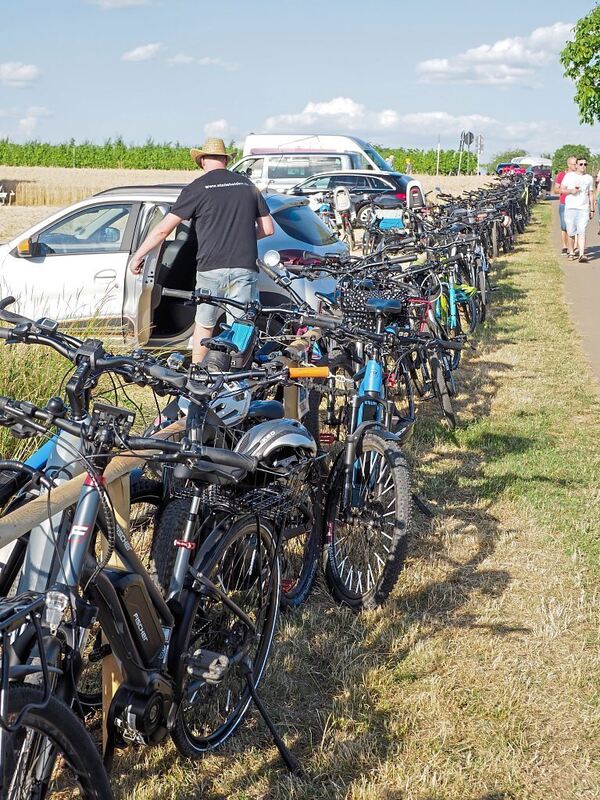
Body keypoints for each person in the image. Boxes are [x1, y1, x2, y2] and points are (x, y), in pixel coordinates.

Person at [129, 137, 274, 362]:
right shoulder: (248, 187)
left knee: (204, 325)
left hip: (211, 268)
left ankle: (198, 373)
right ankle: (239, 375)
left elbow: (162, 231)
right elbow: (267, 229)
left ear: (203, 160)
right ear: (225, 160)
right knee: (242, 326)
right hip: (244, 267)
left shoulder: (197, 188)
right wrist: (241, 238)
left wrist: (139, 256)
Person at [560, 156, 594, 263]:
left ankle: (582, 254)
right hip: (570, 207)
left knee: (582, 231)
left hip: (583, 208)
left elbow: (591, 193)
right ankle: (571, 252)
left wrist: (592, 209)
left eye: (585, 164)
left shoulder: (589, 178)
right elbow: (560, 189)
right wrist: (571, 191)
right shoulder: (569, 176)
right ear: (576, 165)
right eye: (581, 164)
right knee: (571, 232)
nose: (583, 166)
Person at [554, 155, 577, 256]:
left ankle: (575, 247)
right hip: (564, 204)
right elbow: (556, 189)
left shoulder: (579, 175)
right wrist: (568, 191)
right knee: (564, 227)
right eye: (574, 164)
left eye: (577, 163)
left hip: (576, 204)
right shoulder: (561, 175)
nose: (576, 166)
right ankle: (564, 246)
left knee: (575, 226)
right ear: (568, 165)